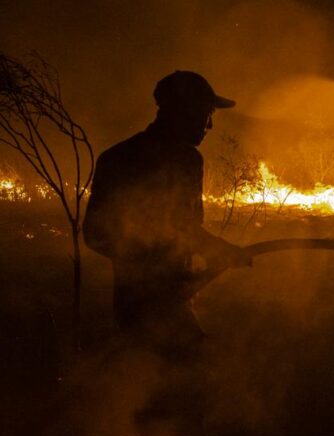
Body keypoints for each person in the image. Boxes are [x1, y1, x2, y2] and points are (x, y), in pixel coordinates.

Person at [83, 70, 251, 361]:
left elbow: (95, 234)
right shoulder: (184, 160)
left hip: (133, 303)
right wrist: (215, 250)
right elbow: (183, 229)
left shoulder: (116, 156)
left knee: (147, 381)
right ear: (183, 111)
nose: (209, 125)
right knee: (190, 373)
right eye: (206, 113)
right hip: (156, 305)